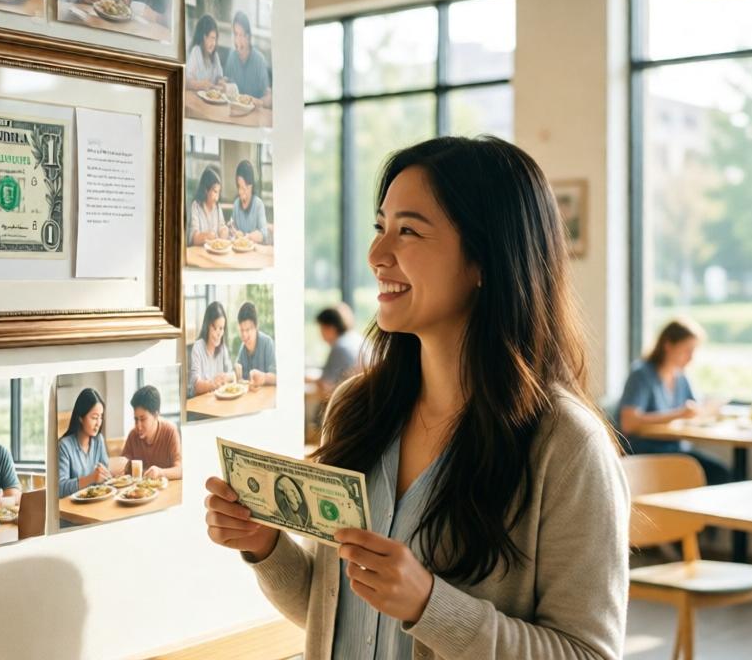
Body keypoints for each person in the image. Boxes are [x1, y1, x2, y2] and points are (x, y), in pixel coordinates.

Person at [204, 136, 629, 658]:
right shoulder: (357, 409)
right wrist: (265, 548)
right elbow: (340, 615)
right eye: (380, 227)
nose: (376, 254)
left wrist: (430, 606)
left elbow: (588, 652)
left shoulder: (566, 447)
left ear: (484, 261)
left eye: (408, 231)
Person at [617, 318, 731, 486]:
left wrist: (709, 410)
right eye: (687, 350)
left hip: (677, 450)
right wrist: (678, 414)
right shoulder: (641, 375)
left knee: (722, 472)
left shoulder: (681, 377)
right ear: (668, 345)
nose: (691, 358)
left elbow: (693, 411)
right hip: (648, 451)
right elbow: (629, 423)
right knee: (718, 474)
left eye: (694, 351)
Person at [57, 388, 110, 498]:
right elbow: (60, 488)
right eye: (94, 417)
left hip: (96, 502)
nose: (98, 423)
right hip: (72, 508)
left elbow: (105, 477)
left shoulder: (98, 440)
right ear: (81, 417)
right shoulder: (64, 446)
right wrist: (91, 478)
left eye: (101, 417)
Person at [121, 385, 181, 480]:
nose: (138, 426)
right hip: (141, 492)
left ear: (156, 415)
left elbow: (180, 470)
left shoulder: (170, 431)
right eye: (136, 419)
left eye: (143, 419)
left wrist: (160, 472)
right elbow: (124, 465)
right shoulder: (133, 435)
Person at [315, 303, 368, 399]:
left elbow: (325, 386)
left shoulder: (340, 347)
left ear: (329, 328)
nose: (320, 334)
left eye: (321, 328)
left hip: (351, 401)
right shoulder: (358, 339)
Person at [222, 11, 271, 106]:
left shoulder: (259, 60)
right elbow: (226, 82)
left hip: (255, 114)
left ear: (248, 37)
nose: (238, 40)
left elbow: (269, 97)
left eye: (242, 35)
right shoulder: (232, 57)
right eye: (236, 34)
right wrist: (223, 84)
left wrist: (259, 102)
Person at [188, 300, 235, 398]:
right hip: (200, 405)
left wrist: (226, 377)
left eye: (221, 328)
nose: (218, 334)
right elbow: (195, 385)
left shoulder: (222, 349)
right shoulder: (198, 347)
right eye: (215, 328)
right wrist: (213, 384)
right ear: (207, 326)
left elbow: (232, 375)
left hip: (217, 404)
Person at [236, 301, 276, 388]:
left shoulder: (267, 343)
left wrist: (264, 378)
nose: (244, 335)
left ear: (256, 326)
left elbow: (276, 376)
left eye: (247, 330)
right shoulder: (242, 349)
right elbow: (238, 376)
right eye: (242, 330)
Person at [229, 159, 270, 245]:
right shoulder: (236, 204)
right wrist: (234, 232)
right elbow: (232, 228)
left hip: (255, 253)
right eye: (238, 187)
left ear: (250, 186)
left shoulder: (258, 204)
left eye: (243, 188)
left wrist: (248, 236)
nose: (240, 192)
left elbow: (264, 234)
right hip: (238, 251)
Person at [188, 166, 227, 246]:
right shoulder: (196, 206)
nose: (217, 198)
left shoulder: (217, 207)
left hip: (215, 254)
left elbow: (221, 227)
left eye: (219, 192)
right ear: (206, 190)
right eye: (215, 191)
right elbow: (193, 238)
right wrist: (208, 236)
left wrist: (224, 231)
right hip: (199, 254)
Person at [185, 13, 224, 92]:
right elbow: (186, 82)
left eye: (214, 39)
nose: (213, 43)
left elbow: (219, 77)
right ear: (203, 38)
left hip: (211, 99)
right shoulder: (196, 52)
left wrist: (221, 82)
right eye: (210, 38)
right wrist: (200, 85)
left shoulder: (215, 56)